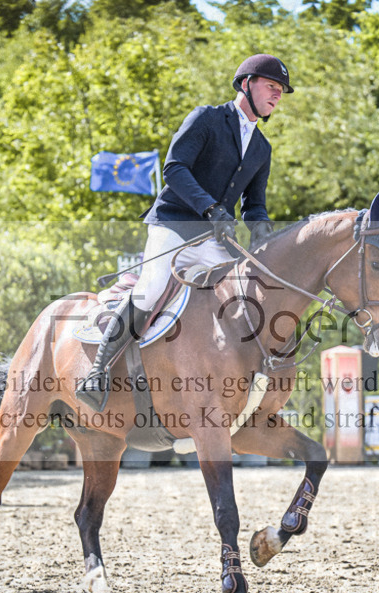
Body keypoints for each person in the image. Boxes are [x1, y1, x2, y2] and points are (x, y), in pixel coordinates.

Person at [76, 53, 294, 412]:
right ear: (246, 84)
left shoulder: (261, 148)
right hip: (173, 226)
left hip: (213, 241)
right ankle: (98, 372)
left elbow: (254, 204)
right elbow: (175, 169)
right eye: (272, 86)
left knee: (249, 295)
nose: (277, 96)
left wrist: (263, 233)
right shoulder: (207, 119)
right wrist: (211, 209)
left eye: (280, 91)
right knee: (150, 291)